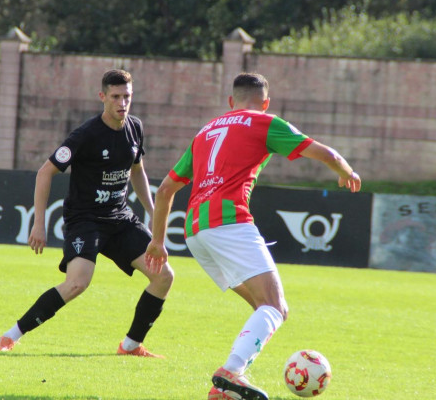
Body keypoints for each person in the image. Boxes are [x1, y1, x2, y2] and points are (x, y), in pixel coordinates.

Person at [144, 72, 361, 400]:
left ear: (231, 101)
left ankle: (226, 388)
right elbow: (324, 153)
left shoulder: (205, 132)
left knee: (267, 307)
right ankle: (230, 372)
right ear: (266, 102)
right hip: (229, 223)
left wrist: (158, 241)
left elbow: (164, 190)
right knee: (274, 305)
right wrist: (347, 171)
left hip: (195, 233)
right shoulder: (265, 122)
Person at [0, 69, 174, 358]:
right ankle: (9, 336)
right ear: (103, 97)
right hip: (85, 220)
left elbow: (137, 170)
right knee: (77, 283)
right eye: (115, 97)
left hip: (120, 218)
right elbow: (45, 172)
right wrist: (39, 224)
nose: (122, 103)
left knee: (164, 276)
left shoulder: (135, 128)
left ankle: (130, 346)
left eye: (126, 96)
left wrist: (153, 211)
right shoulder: (85, 135)